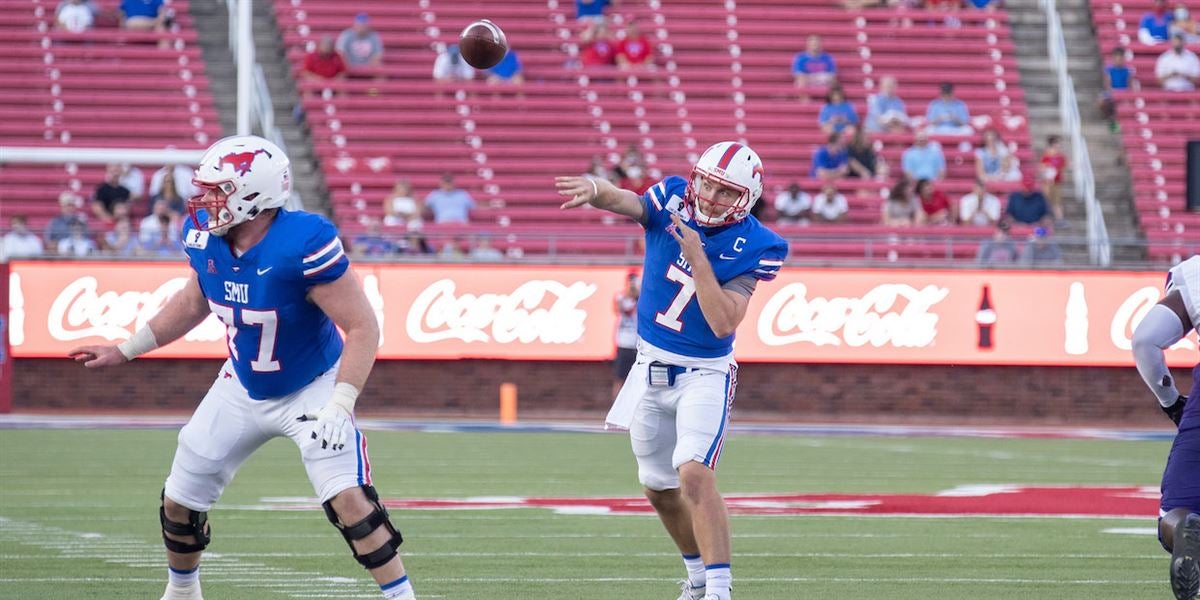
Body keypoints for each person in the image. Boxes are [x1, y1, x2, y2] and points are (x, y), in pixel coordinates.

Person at [67, 135, 417, 600]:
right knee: (179, 500)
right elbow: (194, 300)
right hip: (240, 383)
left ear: (256, 194)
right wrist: (127, 348)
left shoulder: (303, 242)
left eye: (219, 191)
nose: (206, 200)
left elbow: (363, 326)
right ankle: (182, 591)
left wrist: (340, 402)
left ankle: (400, 596)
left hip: (312, 386)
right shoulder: (205, 238)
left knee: (350, 500)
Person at [556, 141, 789, 600]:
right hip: (648, 367)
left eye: (724, 192)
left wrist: (699, 257)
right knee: (658, 488)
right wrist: (597, 188)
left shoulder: (759, 245)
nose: (707, 196)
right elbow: (628, 202)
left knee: (694, 474)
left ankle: (721, 589)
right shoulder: (672, 197)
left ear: (745, 199)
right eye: (705, 182)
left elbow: (724, 320)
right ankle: (698, 577)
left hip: (704, 371)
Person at [1130, 255, 1200, 600]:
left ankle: (1186, 529)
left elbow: (1145, 341)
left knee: (1177, 513)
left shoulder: (1195, 272)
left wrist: (1172, 402)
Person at [612, 271, 640, 399]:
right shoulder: (621, 296)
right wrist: (630, 294)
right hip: (623, 342)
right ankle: (616, 406)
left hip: (637, 343)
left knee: (638, 379)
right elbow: (619, 309)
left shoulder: (641, 297)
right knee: (620, 378)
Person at [792, 35, 837, 99]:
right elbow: (799, 75)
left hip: (822, 78)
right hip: (808, 78)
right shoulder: (800, 58)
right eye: (813, 44)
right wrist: (811, 77)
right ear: (808, 45)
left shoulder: (827, 58)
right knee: (801, 82)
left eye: (817, 43)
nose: (815, 45)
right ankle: (806, 105)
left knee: (833, 81)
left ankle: (832, 106)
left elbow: (832, 74)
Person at [1099, 47, 1134, 127]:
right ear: (1114, 58)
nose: (1119, 59)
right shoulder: (1108, 69)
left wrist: (1126, 95)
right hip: (1112, 92)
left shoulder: (1128, 70)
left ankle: (1120, 124)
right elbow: (1107, 85)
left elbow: (1130, 85)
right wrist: (1113, 93)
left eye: (1121, 57)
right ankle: (1109, 120)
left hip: (1125, 93)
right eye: (1117, 57)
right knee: (1102, 102)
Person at [1039, 135, 1068, 224]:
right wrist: (1047, 175)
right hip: (1047, 182)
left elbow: (1063, 167)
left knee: (1057, 201)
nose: (1059, 145)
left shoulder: (1061, 156)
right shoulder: (1046, 156)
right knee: (1046, 200)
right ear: (1053, 144)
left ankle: (1059, 218)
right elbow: (1042, 168)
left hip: (1056, 182)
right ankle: (1045, 219)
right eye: (1057, 143)